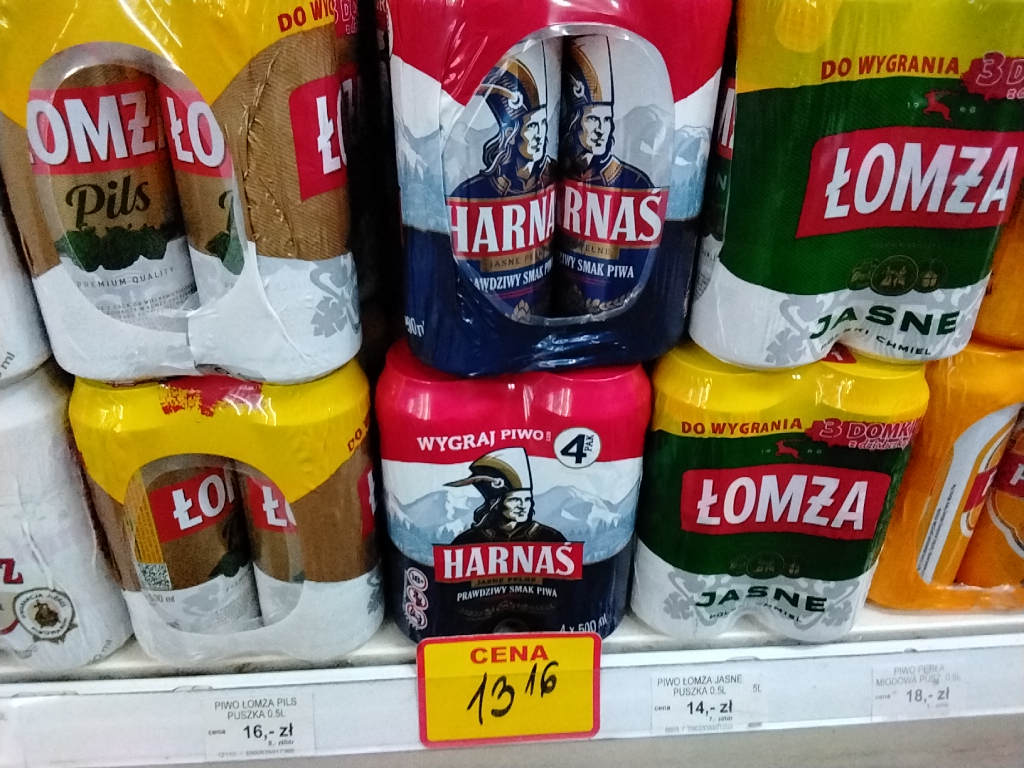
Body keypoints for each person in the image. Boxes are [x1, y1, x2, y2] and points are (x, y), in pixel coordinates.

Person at [450, 52, 554, 199]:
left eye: (542, 123)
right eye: (531, 126)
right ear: (510, 134)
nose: (539, 135)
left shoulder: (551, 173)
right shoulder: (475, 188)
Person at [561, 37, 652, 190]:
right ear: (574, 122)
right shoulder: (562, 171)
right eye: (593, 118)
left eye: (606, 119)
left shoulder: (636, 181)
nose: (601, 129)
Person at [448, 447, 565, 544]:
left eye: (527, 499)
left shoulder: (551, 538)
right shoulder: (469, 540)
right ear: (495, 503)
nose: (522, 506)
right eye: (515, 499)